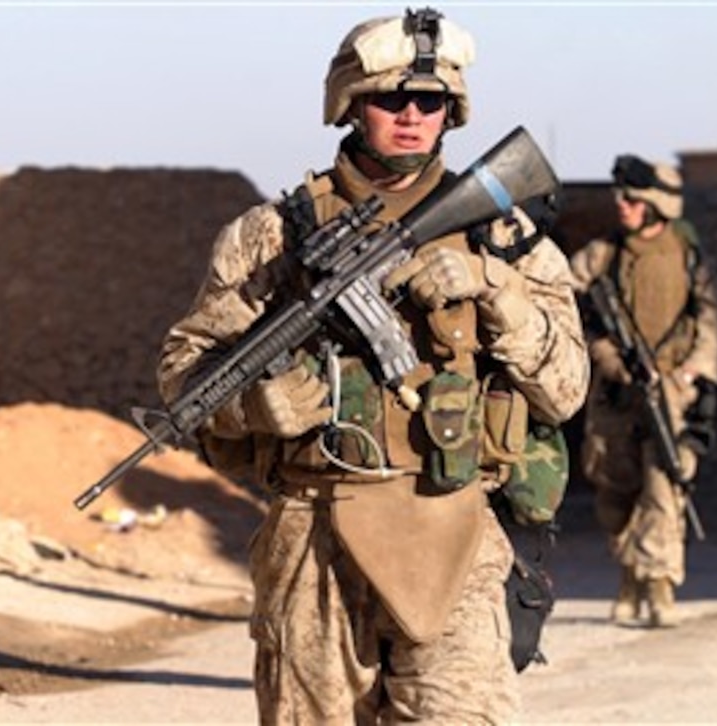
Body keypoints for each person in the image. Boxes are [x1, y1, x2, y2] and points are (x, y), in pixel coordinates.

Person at [156, 9, 588, 723]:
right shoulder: (272, 235)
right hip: (314, 534)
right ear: (350, 105)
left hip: (454, 529)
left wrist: (495, 292)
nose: (414, 116)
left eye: (433, 102)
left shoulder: (505, 237)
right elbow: (181, 376)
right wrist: (254, 407)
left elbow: (566, 390)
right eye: (393, 98)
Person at [570, 154, 717, 628]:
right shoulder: (604, 253)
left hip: (669, 392)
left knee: (664, 485)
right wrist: (604, 354)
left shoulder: (688, 255)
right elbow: (561, 296)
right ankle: (630, 575)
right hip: (615, 392)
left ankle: (659, 584)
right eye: (621, 197)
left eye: (633, 199)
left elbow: (716, 323)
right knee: (614, 490)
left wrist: (691, 373)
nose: (622, 206)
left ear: (656, 204)